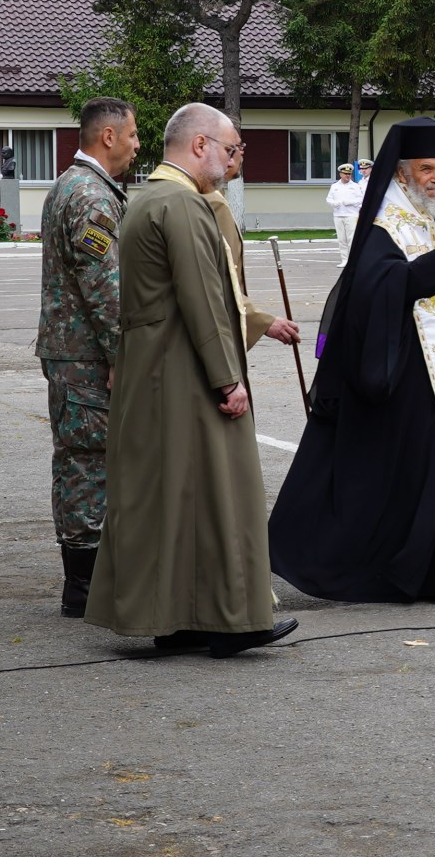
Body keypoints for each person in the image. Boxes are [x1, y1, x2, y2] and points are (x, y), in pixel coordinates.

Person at [86, 103, 295, 658]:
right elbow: (204, 301)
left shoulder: (147, 198)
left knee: (174, 500)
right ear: (199, 145)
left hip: (156, 369)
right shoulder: (182, 203)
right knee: (224, 495)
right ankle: (234, 619)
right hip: (182, 371)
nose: (232, 162)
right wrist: (228, 380)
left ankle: (178, 620)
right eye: (229, 150)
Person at [269, 118, 435, 604]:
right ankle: (390, 572)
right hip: (402, 375)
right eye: (427, 168)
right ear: (401, 174)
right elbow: (375, 291)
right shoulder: (381, 227)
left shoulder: (432, 218)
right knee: (405, 476)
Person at [36, 96, 140, 616]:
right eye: (133, 135)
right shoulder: (90, 196)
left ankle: (86, 580)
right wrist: (122, 355)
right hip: (85, 357)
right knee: (87, 464)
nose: (137, 145)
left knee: (81, 461)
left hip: (71, 351)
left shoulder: (69, 185)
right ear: (108, 137)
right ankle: (84, 585)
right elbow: (103, 286)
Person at [202, 130, 303, 354]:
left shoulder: (214, 194)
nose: (241, 152)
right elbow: (217, 278)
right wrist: (261, 321)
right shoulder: (208, 201)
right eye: (235, 146)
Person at [327, 163, 362, 263]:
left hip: (351, 214)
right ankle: (344, 260)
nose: (348, 176)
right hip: (338, 214)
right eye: (345, 173)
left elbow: (360, 199)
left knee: (351, 239)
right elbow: (328, 199)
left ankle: (352, 261)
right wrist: (334, 203)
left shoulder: (355, 186)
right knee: (342, 239)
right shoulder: (334, 186)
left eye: (349, 174)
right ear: (340, 174)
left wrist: (350, 202)